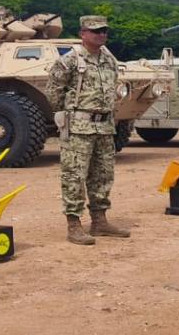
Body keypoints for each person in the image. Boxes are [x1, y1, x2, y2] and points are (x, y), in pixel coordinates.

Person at [46, 15, 131, 245]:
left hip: (104, 126)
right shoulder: (70, 60)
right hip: (78, 128)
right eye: (96, 31)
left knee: (103, 175)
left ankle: (99, 221)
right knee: (74, 175)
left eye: (104, 31)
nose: (101, 34)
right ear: (82, 33)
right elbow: (54, 91)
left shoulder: (109, 59)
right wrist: (67, 115)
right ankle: (74, 225)